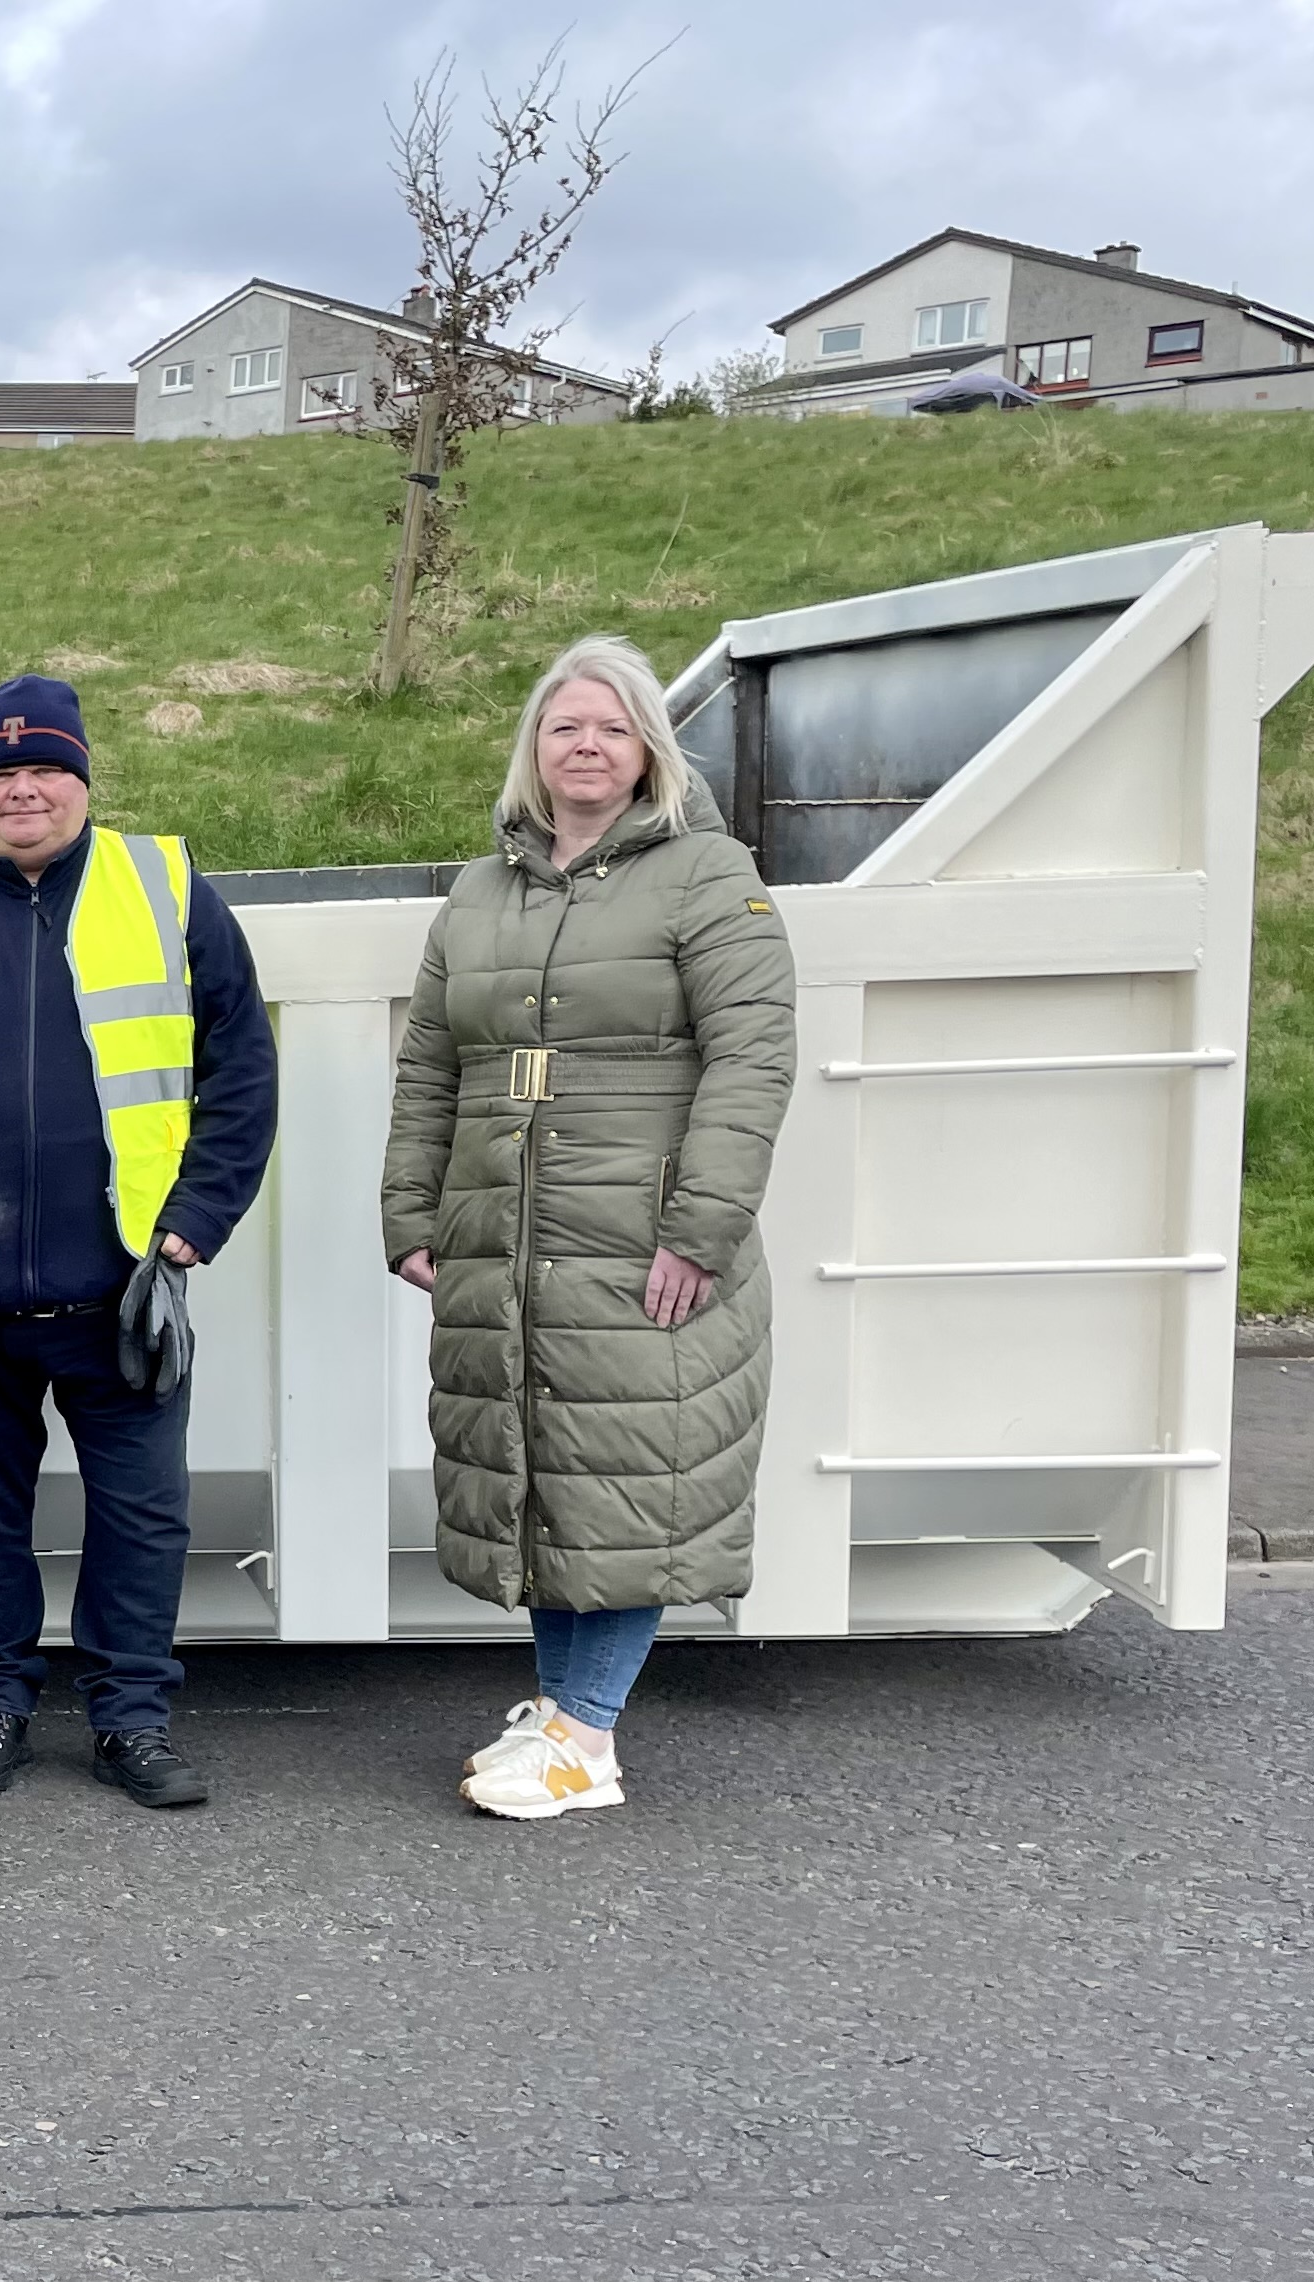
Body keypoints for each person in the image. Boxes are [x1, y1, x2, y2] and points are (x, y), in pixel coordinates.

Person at [379, 633, 797, 1820]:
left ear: (648, 750)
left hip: (639, 1237)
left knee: (628, 1481)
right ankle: (568, 1711)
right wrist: (411, 1208)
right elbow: (429, 1068)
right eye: (566, 726)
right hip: (505, 1238)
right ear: (534, 748)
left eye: (612, 728)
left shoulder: (709, 876)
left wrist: (700, 1228)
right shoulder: (479, 890)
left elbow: (752, 1060)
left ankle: (583, 1730)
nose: (586, 746)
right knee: (550, 1476)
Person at [0, 675, 276, 1810]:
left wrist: (193, 1226)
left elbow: (242, 1071)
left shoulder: (164, 884)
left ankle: (130, 1716)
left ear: (82, 778)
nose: (23, 790)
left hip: (125, 1280)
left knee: (141, 1514)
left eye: (45, 769)